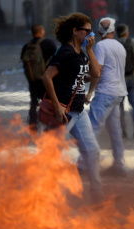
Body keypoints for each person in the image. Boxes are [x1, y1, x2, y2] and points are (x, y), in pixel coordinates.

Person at [41, 13, 103, 204]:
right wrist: (58, 108)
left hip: (78, 111)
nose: (90, 34)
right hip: (63, 112)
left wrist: (90, 50)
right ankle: (43, 196)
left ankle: (97, 194)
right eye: (87, 30)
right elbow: (46, 77)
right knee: (52, 155)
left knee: (92, 151)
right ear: (75, 31)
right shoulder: (66, 52)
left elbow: (96, 73)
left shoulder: (81, 52)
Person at [85, 17, 128, 177]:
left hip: (105, 92)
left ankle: (85, 165)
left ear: (98, 32)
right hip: (118, 93)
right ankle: (119, 165)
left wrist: (90, 92)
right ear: (113, 31)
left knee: (91, 128)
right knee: (115, 131)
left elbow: (98, 71)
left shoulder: (101, 46)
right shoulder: (120, 46)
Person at [20, 24, 57, 130]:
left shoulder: (26, 46)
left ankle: (33, 125)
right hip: (46, 78)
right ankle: (49, 124)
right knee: (49, 101)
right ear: (42, 31)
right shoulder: (48, 43)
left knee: (34, 102)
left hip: (32, 79)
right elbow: (57, 57)